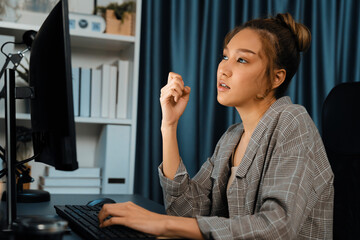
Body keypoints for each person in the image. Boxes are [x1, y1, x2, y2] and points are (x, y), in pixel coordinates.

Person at [98, 13, 334, 239]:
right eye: (225, 56)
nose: (224, 68)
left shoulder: (293, 122)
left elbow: (277, 228)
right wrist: (169, 126)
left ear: (276, 78)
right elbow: (184, 211)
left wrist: (160, 223)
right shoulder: (232, 137)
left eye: (242, 59)